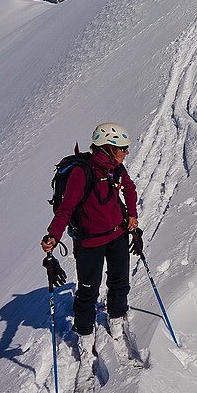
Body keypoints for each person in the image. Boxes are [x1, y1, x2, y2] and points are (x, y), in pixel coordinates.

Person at [41, 122, 140, 358]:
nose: (127, 152)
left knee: (119, 282)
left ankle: (116, 320)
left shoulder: (116, 169)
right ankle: (86, 338)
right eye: (122, 148)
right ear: (107, 148)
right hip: (89, 243)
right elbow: (66, 209)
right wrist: (53, 235)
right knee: (88, 291)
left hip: (117, 235)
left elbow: (130, 189)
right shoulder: (82, 173)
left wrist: (133, 214)